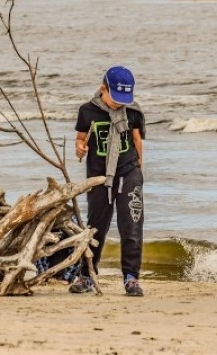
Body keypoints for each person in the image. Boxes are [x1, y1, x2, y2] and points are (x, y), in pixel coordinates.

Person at [69, 66, 146, 296]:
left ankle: (131, 278)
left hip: (129, 172)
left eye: (124, 98)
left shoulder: (133, 112)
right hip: (98, 175)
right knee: (95, 227)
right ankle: (87, 275)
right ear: (103, 88)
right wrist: (80, 149)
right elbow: (81, 139)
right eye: (115, 98)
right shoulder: (87, 111)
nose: (119, 103)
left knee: (131, 226)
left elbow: (137, 139)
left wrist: (139, 168)